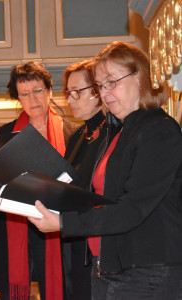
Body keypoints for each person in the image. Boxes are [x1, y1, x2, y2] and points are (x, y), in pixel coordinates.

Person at [29, 41, 182, 299]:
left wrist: (63, 223)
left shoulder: (159, 130)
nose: (106, 92)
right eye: (100, 85)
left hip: (147, 272)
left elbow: (132, 208)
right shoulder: (118, 132)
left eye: (112, 81)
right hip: (108, 268)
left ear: (141, 77)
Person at [0, 61, 79, 300]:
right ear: (18, 98)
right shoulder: (5, 133)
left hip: (56, 225)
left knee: (62, 289)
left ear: (50, 91)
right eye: (24, 94)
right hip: (15, 224)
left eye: (37, 91)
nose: (32, 99)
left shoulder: (72, 132)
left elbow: (79, 183)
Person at [61, 60, 121, 300]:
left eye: (77, 92)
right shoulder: (77, 135)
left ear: (98, 92)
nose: (69, 99)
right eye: (68, 92)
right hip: (76, 237)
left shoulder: (114, 131)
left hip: (99, 239)